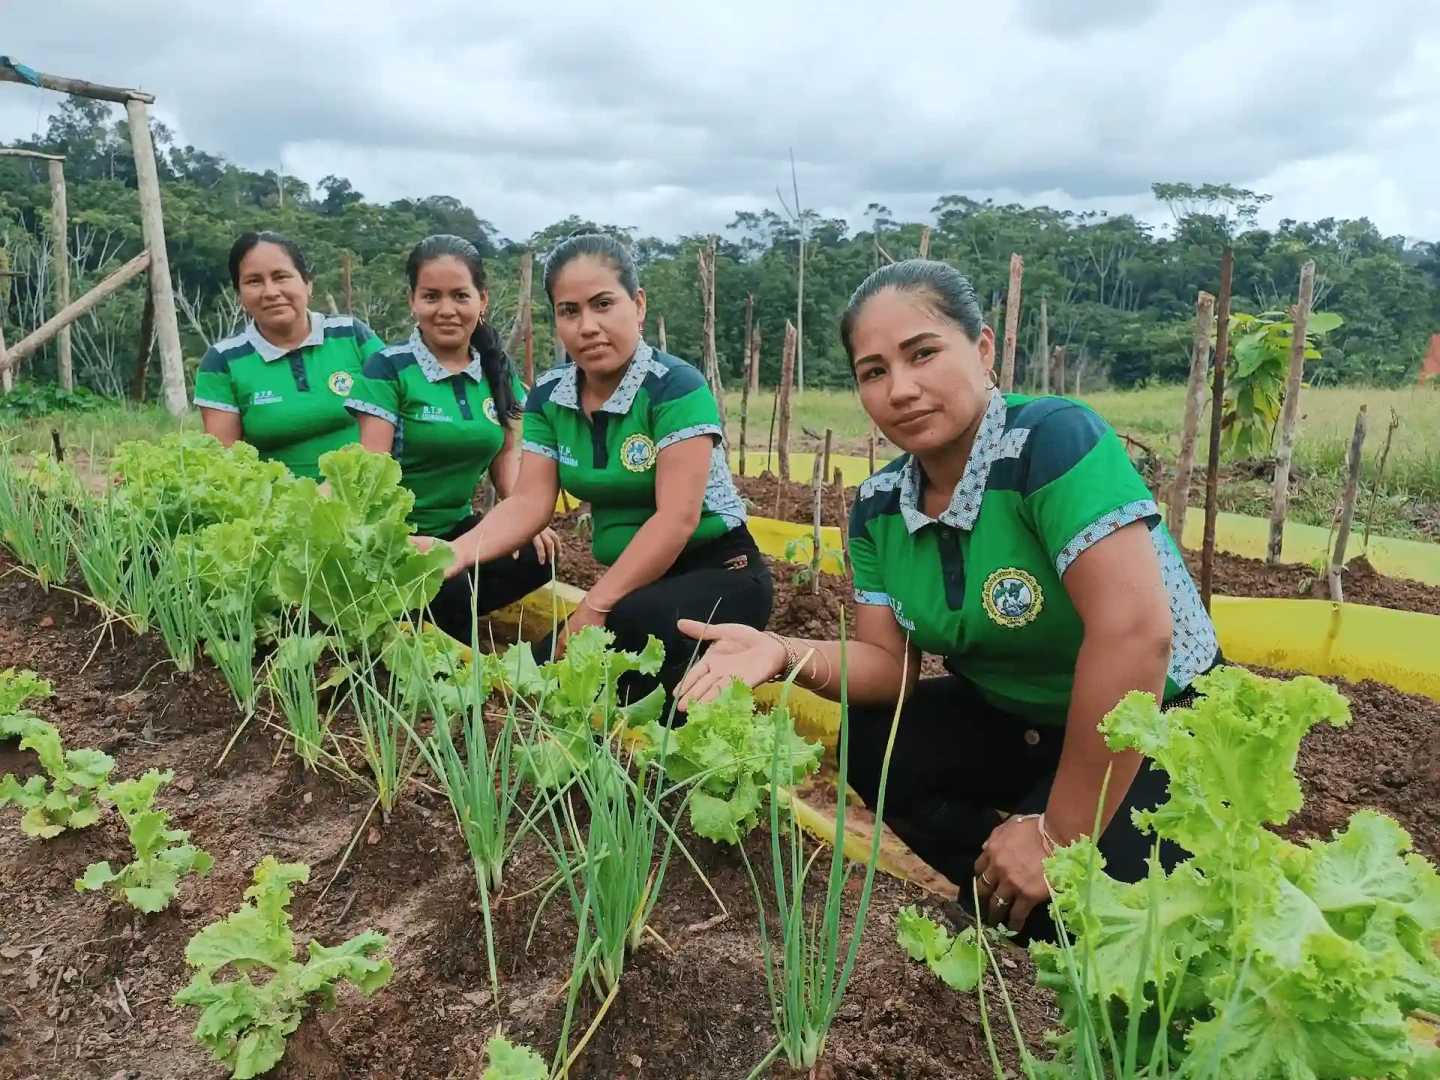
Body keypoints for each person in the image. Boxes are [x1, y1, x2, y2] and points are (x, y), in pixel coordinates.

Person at [674, 259, 1221, 942]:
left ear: (983, 349)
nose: (900, 389)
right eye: (873, 372)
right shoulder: (877, 505)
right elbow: (885, 666)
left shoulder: (1050, 442)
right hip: (1022, 721)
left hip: (1161, 720)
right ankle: (1001, 897)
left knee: (1109, 929)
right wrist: (783, 650)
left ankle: (1043, 878)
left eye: (923, 353)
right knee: (878, 741)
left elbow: (1137, 635)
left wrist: (1058, 832)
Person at [422, 233, 772, 699]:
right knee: (544, 675)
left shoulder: (675, 389)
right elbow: (529, 501)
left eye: (603, 304)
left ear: (638, 305)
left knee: (627, 647)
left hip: (721, 573)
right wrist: (454, 554)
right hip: (634, 585)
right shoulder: (550, 395)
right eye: (569, 311)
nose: (587, 326)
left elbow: (677, 518)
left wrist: (597, 604)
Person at [345, 235, 559, 643]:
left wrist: (524, 518)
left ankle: (420, 613)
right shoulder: (388, 369)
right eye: (431, 296)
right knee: (453, 588)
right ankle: (432, 634)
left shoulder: (496, 369)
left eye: (460, 295)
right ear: (413, 301)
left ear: (482, 300)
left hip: (456, 530)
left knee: (538, 556)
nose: (446, 310)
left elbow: (507, 457)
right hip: (391, 537)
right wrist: (398, 542)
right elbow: (369, 472)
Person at [193, 232, 383, 479]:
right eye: (254, 281)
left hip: (364, 492)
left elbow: (396, 417)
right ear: (239, 296)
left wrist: (341, 487)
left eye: (281, 277)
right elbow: (225, 461)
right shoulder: (222, 362)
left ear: (307, 284)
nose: (270, 292)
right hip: (277, 510)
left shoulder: (352, 336)